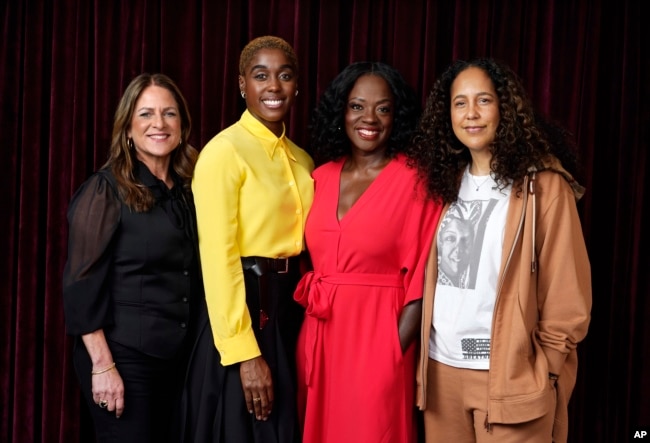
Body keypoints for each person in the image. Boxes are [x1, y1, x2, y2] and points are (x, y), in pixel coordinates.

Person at [410, 58, 592, 443]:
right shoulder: (442, 186)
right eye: (460, 103)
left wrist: (545, 372)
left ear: (504, 109)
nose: (471, 114)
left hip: (510, 376)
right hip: (442, 375)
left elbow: (567, 293)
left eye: (483, 101)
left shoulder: (543, 187)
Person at [292, 61, 442, 443]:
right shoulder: (319, 177)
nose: (369, 118)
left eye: (383, 108)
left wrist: (391, 354)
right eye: (357, 106)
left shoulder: (417, 181)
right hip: (320, 339)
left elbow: (424, 280)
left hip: (380, 340)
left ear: (398, 116)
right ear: (341, 111)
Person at [184, 36, 313, 442]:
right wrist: (245, 354)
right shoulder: (223, 152)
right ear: (243, 85)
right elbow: (217, 259)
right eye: (261, 76)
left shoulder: (303, 159)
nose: (273, 86)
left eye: (284, 75)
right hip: (246, 311)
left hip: (292, 310)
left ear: (297, 86)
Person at [62, 73, 201, 442]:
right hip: (123, 358)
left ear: (183, 126)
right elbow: (79, 286)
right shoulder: (104, 190)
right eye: (146, 114)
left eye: (169, 114)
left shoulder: (190, 190)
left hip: (179, 361)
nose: (159, 124)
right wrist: (103, 366)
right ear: (127, 128)